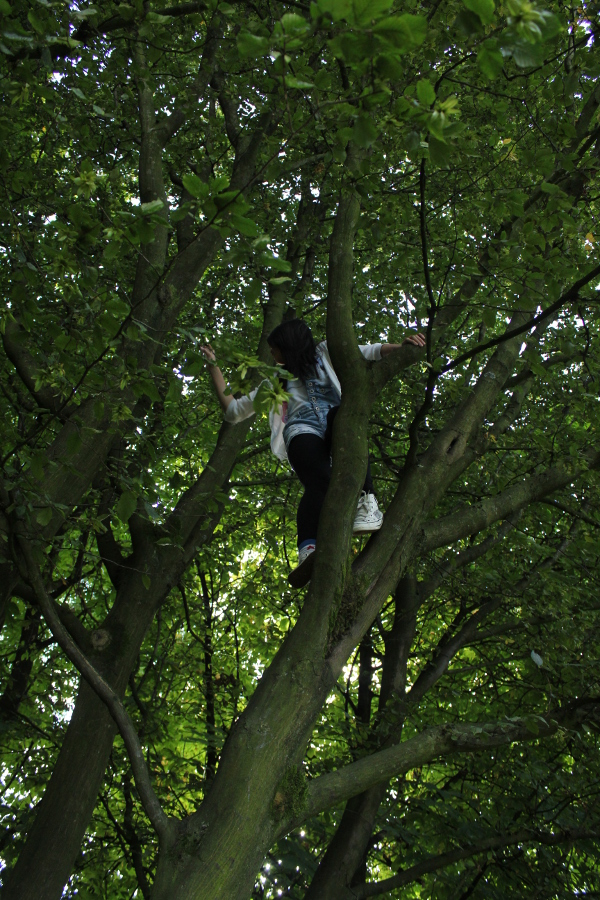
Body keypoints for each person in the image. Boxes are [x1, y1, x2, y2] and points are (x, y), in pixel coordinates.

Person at [202, 321, 425, 588]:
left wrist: (403, 347)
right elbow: (233, 411)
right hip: (302, 430)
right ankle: (308, 549)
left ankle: (367, 502)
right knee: (320, 481)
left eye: (275, 348)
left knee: (342, 418)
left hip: (337, 423)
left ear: (289, 345)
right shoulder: (274, 382)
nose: (272, 354)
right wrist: (212, 365)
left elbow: (371, 351)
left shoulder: (326, 352)